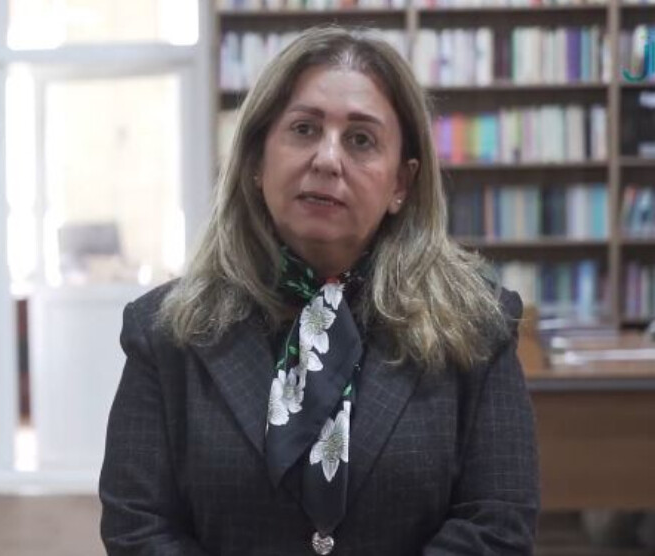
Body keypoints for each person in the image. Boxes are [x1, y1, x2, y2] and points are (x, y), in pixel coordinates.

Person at [99, 25, 539, 556]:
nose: (328, 159)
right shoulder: (164, 331)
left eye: (361, 140)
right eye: (304, 129)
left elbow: (496, 525)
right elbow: (138, 527)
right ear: (257, 161)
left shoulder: (478, 324)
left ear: (401, 183)